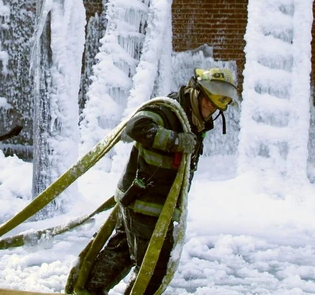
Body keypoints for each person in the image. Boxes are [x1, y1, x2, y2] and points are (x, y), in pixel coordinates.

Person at [70, 67, 240, 295]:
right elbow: (135, 128)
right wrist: (175, 141)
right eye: (208, 102)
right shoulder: (169, 109)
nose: (210, 110)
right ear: (197, 92)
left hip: (153, 205)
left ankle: (88, 291)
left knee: (122, 253)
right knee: (154, 269)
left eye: (216, 107)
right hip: (144, 201)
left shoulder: (195, 119)